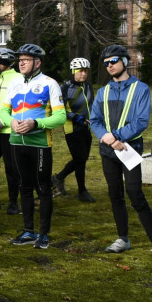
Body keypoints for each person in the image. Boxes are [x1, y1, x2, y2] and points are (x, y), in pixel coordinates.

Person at [89, 45, 152, 259]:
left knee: (135, 193)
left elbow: (141, 121)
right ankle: (123, 238)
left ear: (124, 60)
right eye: (106, 63)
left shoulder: (141, 89)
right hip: (108, 150)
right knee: (115, 195)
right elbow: (94, 120)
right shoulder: (103, 91)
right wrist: (108, 138)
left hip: (130, 149)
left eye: (113, 61)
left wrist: (117, 136)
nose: (109, 65)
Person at [6, 44, 65, 249]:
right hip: (16, 142)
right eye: (20, 59)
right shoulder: (13, 83)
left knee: (43, 188)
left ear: (37, 62)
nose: (21, 62)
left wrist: (36, 124)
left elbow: (61, 117)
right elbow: (2, 113)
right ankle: (29, 231)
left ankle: (44, 234)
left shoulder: (50, 83)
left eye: (26, 59)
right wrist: (10, 121)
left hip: (39, 144)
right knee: (24, 186)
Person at [51, 57, 96, 203]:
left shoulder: (88, 86)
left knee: (81, 159)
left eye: (86, 71)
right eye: (80, 71)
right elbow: (60, 110)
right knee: (80, 160)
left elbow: (91, 104)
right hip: (72, 128)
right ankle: (82, 191)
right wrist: (77, 118)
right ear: (73, 71)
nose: (83, 74)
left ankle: (58, 178)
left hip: (86, 127)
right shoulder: (65, 88)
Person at [0, 47, 21, 215]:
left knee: (12, 169)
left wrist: (1, 122)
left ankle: (13, 202)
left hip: (10, 130)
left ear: (3, 63)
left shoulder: (18, 78)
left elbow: (19, 105)